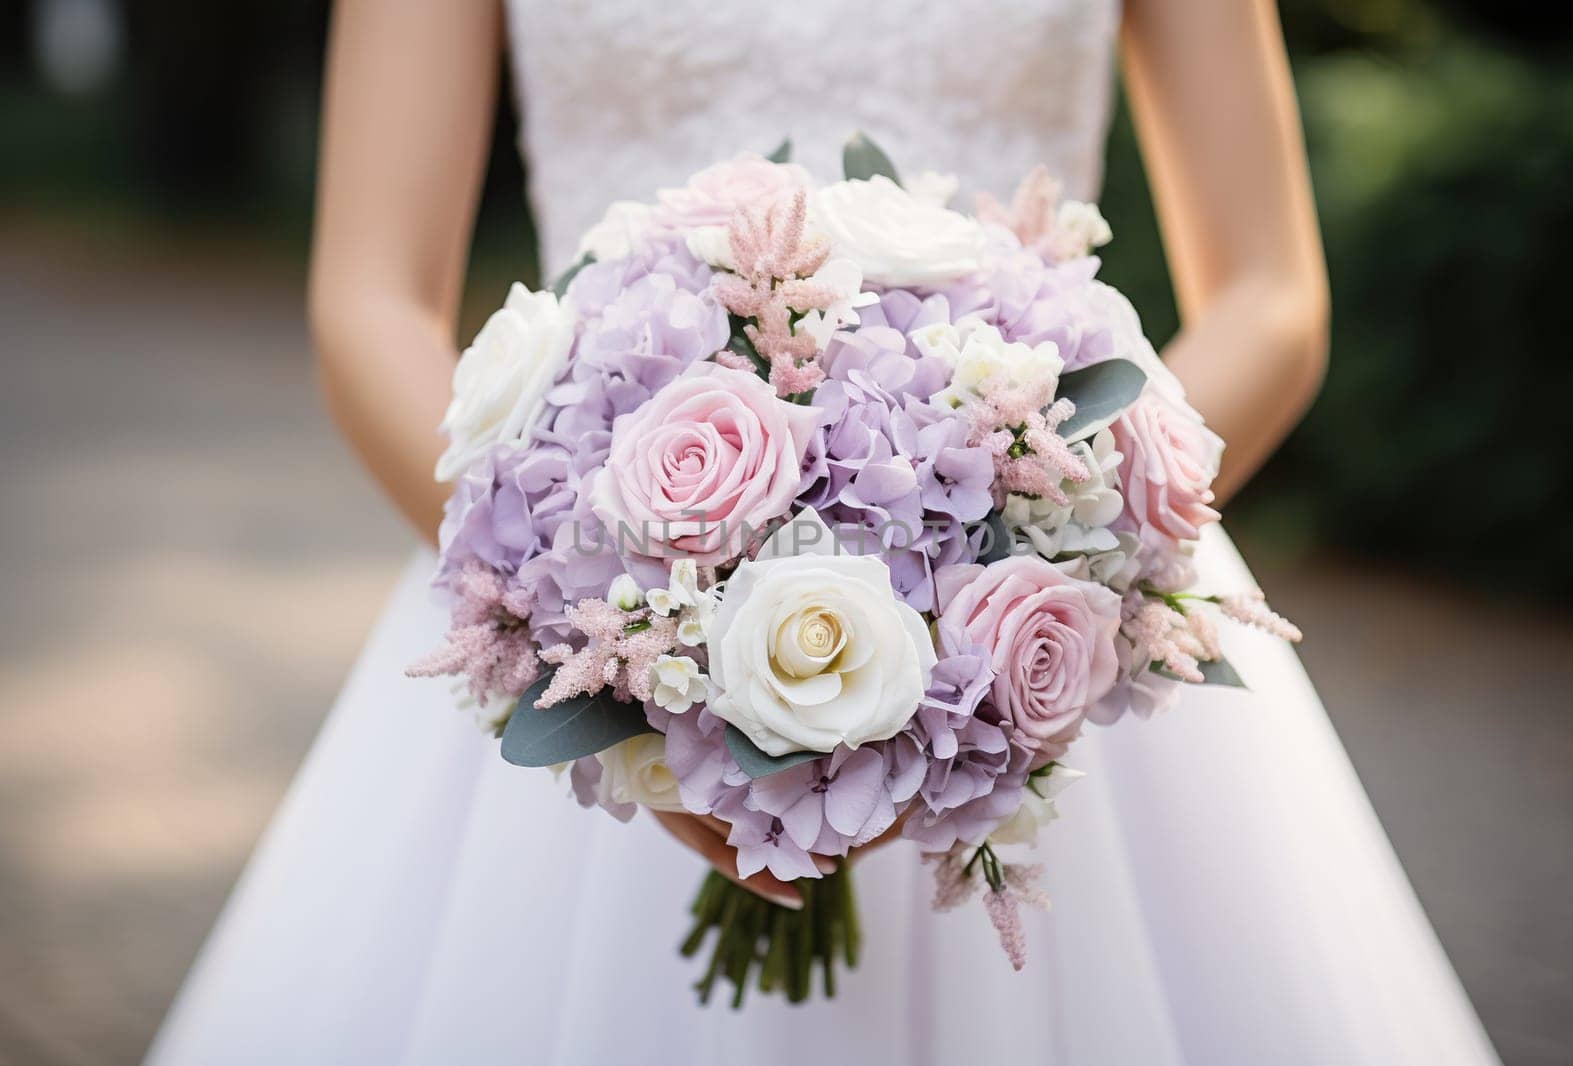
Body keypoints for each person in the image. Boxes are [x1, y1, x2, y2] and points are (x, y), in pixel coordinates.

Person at [147, 1, 1502, 1062]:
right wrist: (611, 636)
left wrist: (1065, 533)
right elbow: (367, 298)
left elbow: (1272, 290)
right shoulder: (600, 617)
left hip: (1043, 642)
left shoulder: (1049, 562)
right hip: (596, 600)